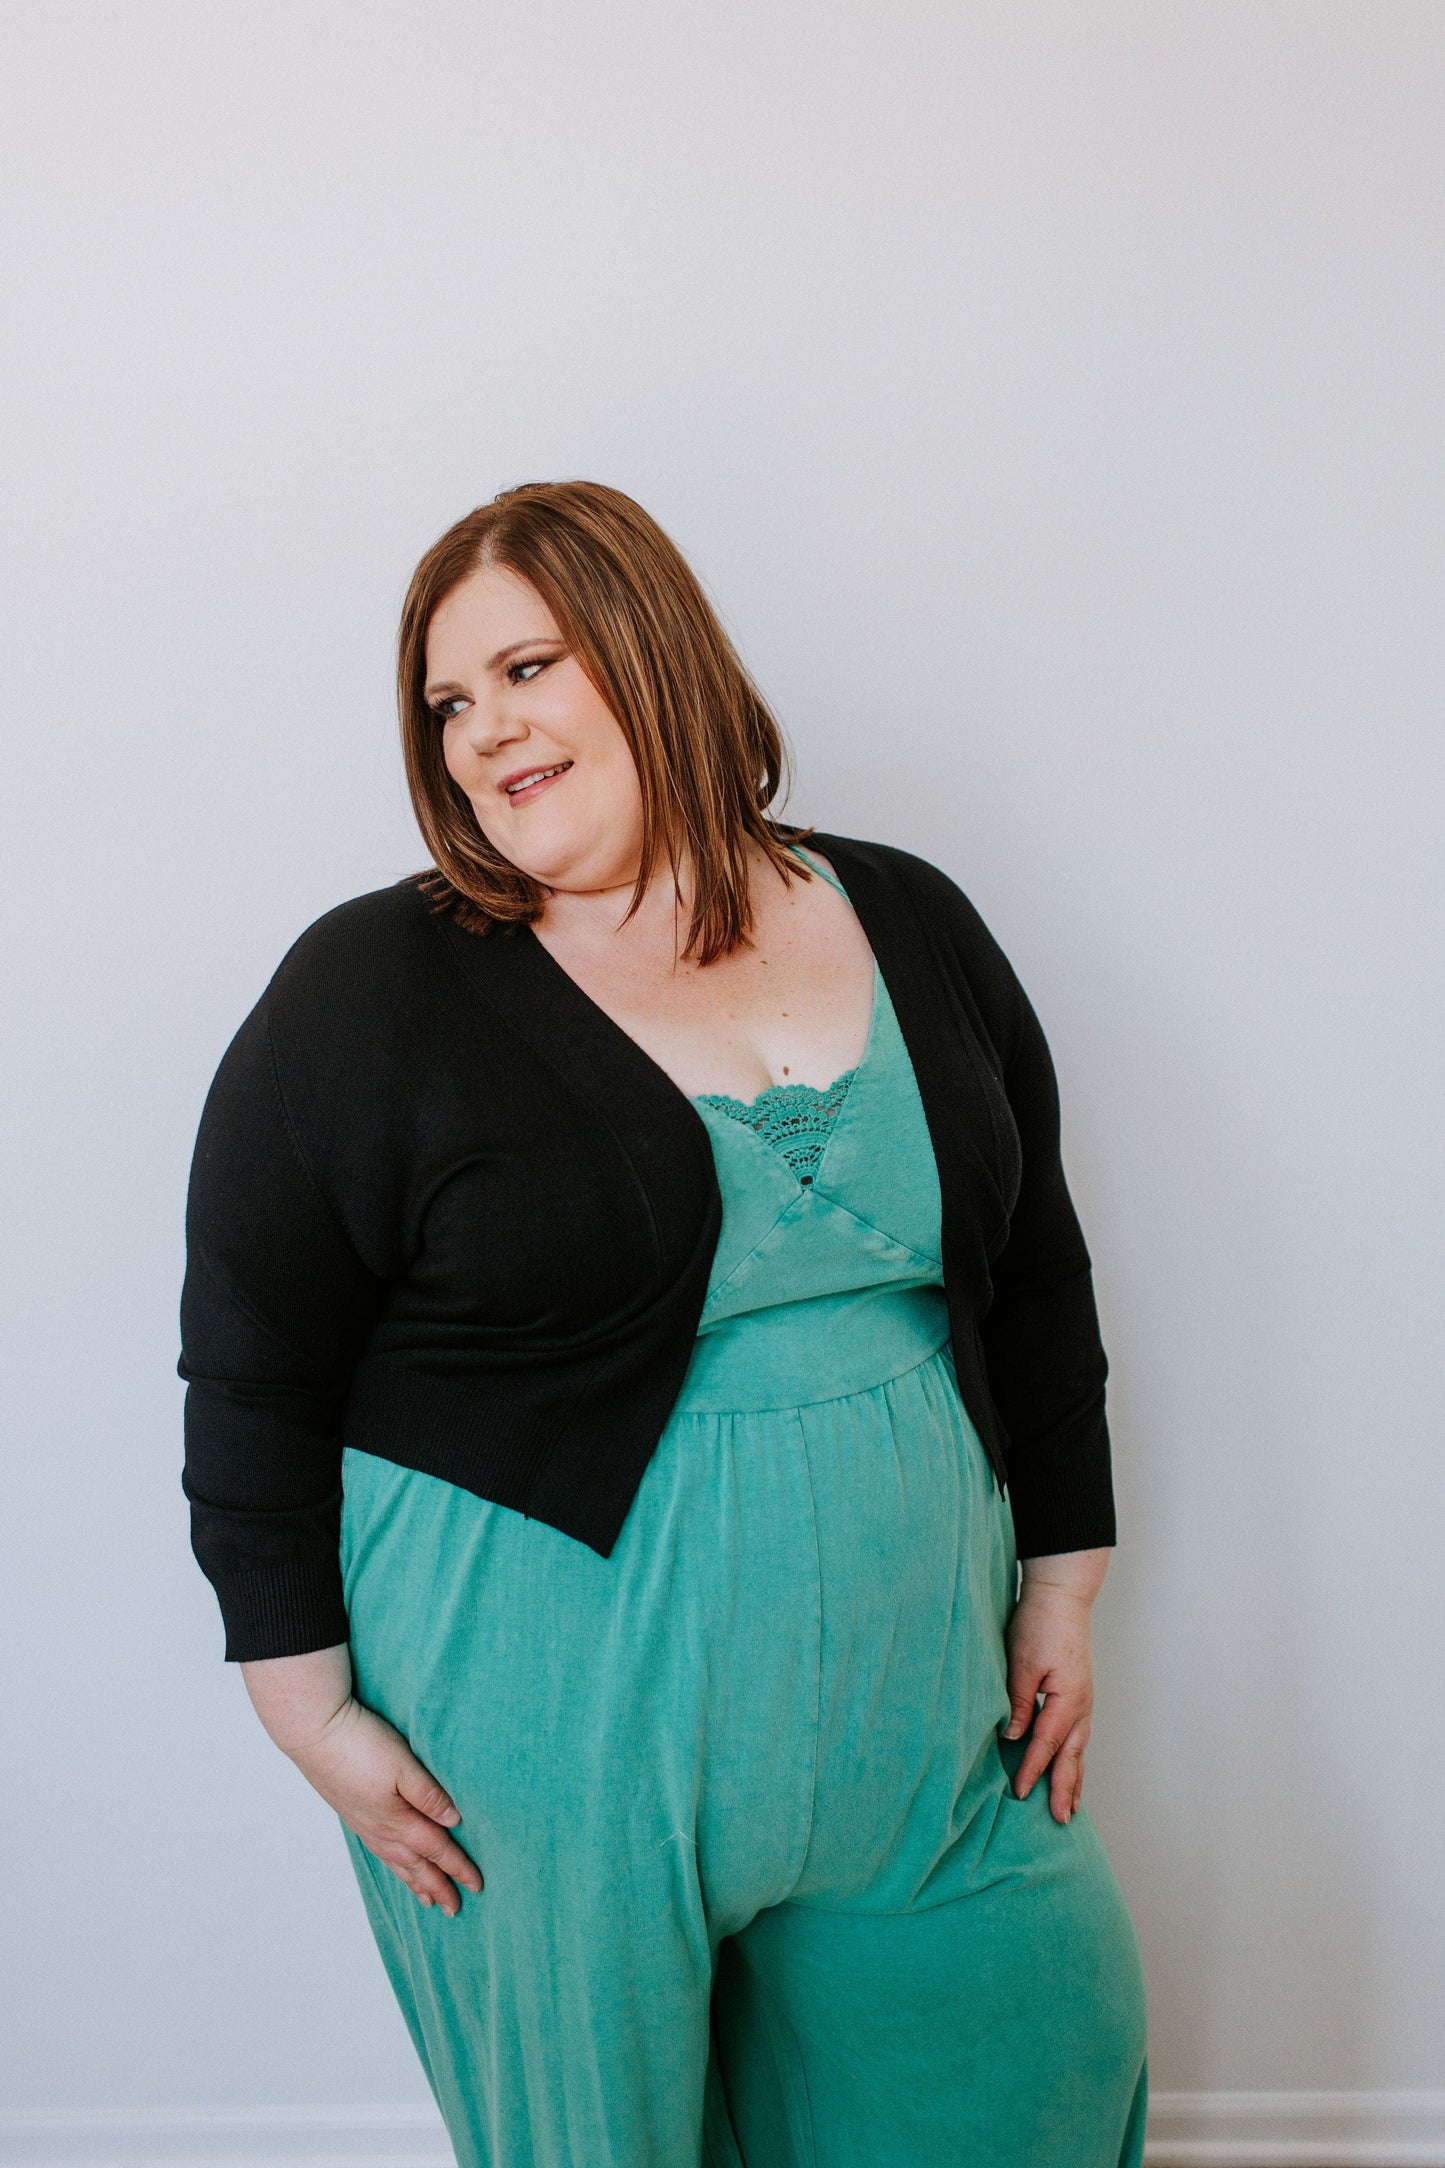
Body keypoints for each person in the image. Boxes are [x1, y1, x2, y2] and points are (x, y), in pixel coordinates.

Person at [178, 479, 1149, 2168]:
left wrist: (1061, 1574)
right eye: (448, 707)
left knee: (1026, 2072)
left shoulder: (905, 913)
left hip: (920, 1708)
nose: (484, 734)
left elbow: (1036, 1264)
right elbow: (255, 1354)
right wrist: (301, 1701)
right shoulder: (374, 987)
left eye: (526, 668)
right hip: (535, 1741)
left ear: (649, 648)